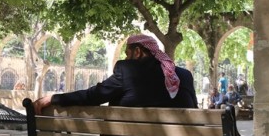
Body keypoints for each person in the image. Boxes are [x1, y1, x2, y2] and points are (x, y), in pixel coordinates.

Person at [33, 34, 197, 114]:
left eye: (127, 53)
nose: (126, 58)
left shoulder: (128, 71)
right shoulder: (184, 76)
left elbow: (93, 96)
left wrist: (53, 98)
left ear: (138, 52)